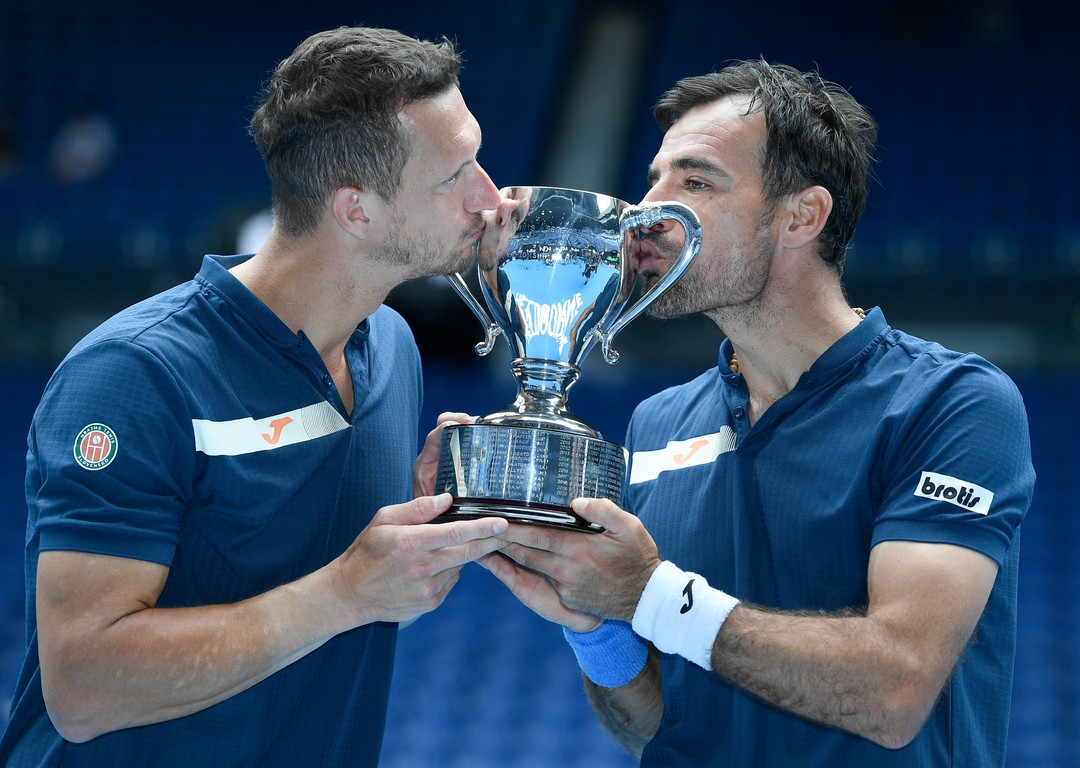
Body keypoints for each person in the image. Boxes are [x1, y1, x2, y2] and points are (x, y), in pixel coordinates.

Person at [481, 59, 1035, 767]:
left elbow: (894, 690)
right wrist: (596, 623)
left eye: (695, 181)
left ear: (802, 215)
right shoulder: (657, 424)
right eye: (652, 178)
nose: (650, 209)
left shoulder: (951, 404)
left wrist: (650, 594)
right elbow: (657, 726)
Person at [0, 26, 508, 767]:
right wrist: (349, 591)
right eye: (454, 174)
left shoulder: (391, 346)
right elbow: (81, 688)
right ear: (356, 210)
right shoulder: (134, 374)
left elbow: (281, 561)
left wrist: (406, 518)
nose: (489, 196)